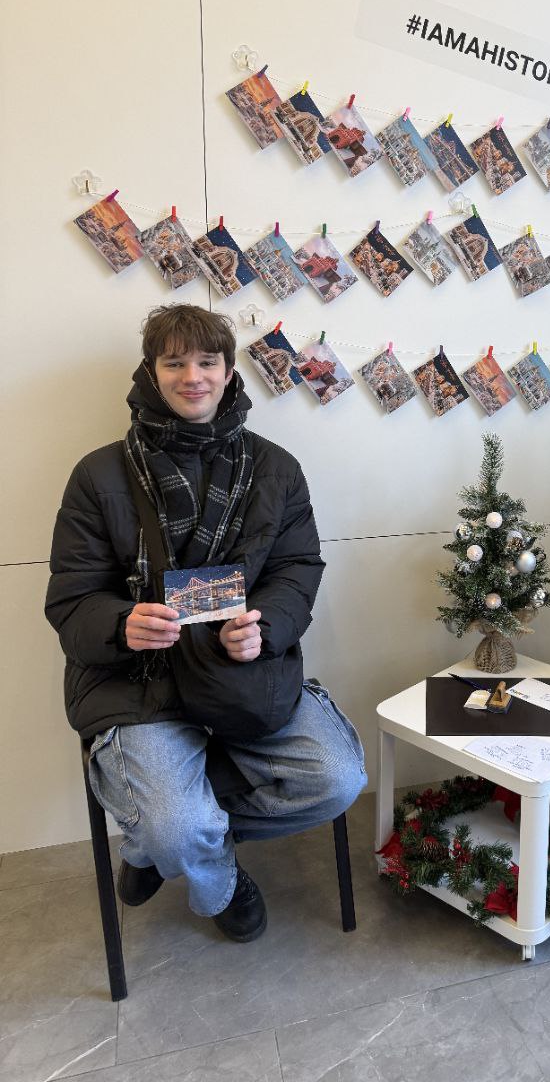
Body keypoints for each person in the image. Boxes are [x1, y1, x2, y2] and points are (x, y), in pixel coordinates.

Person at [46, 304, 366, 942]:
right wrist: (120, 625)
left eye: (207, 362)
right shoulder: (98, 474)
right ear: (152, 371)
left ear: (227, 371)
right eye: (175, 363)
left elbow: (297, 568)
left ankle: (161, 843)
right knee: (174, 826)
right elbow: (71, 598)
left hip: (241, 674)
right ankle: (209, 871)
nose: (192, 376)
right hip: (137, 681)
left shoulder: (275, 468)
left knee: (337, 780)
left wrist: (264, 629)